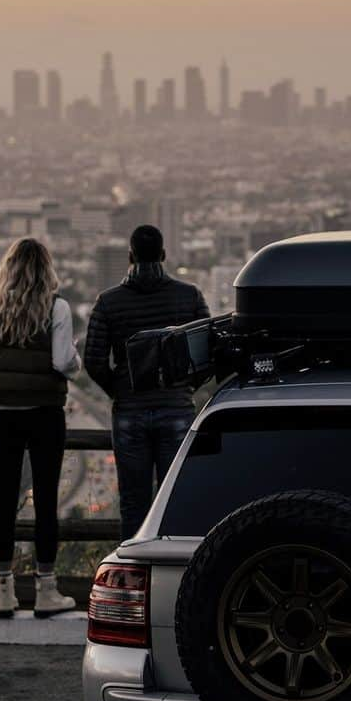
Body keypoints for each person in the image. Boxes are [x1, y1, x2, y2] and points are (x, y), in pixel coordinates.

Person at [84, 223, 209, 539]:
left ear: (130, 256)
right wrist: (186, 386)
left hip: (130, 412)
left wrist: (120, 390)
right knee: (178, 501)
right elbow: (209, 352)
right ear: (164, 254)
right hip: (176, 408)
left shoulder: (108, 302)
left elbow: (94, 361)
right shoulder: (189, 296)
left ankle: (132, 575)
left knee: (134, 505)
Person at [0, 238, 80, 618]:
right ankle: (46, 590)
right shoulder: (58, 308)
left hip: (0, 413)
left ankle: (4, 591)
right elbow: (61, 361)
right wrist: (76, 363)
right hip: (43, 414)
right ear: (46, 269)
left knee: (4, 501)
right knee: (46, 502)